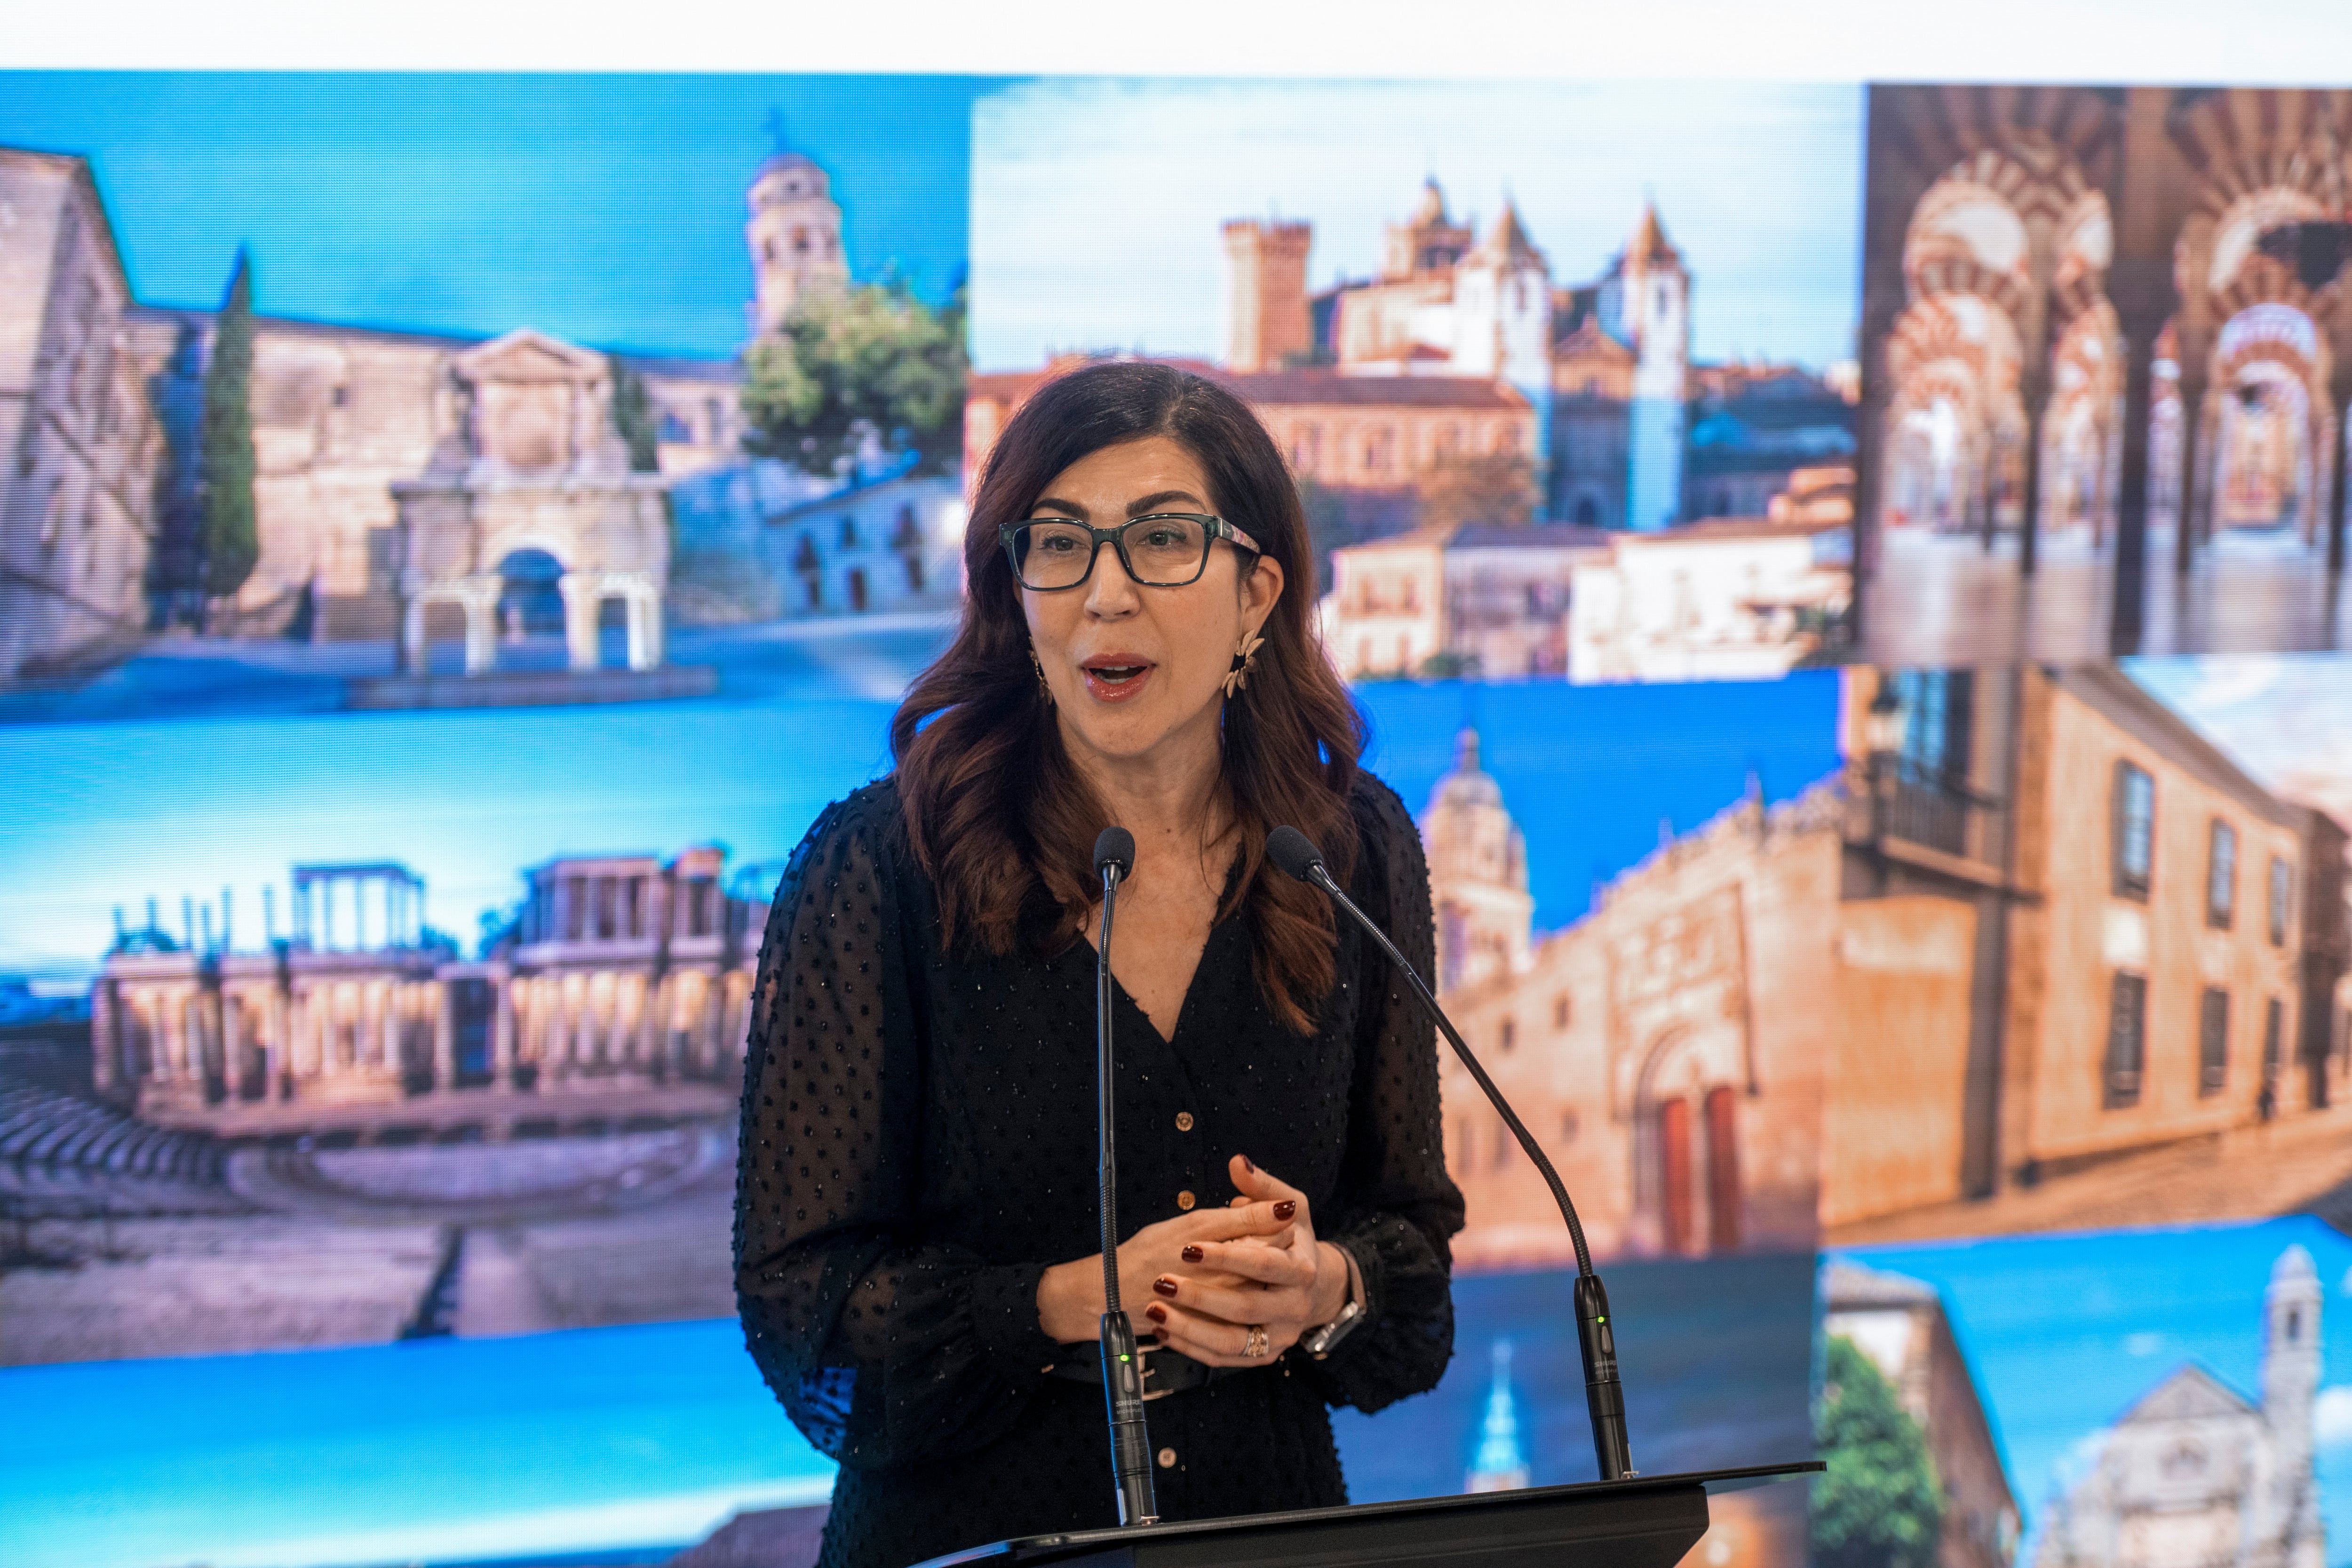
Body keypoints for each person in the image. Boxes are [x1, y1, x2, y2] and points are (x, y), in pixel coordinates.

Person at [734, 361, 1464, 1568]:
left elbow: (1414, 1265)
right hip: (963, 1538)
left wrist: (1325, 1284)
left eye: (1164, 541)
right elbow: (799, 1306)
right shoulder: (881, 862)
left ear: (1256, 594)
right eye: (1059, 545)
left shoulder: (1350, 850)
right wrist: (1067, 1301)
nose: (1105, 596)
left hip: (1267, 1528)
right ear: (1012, 588)